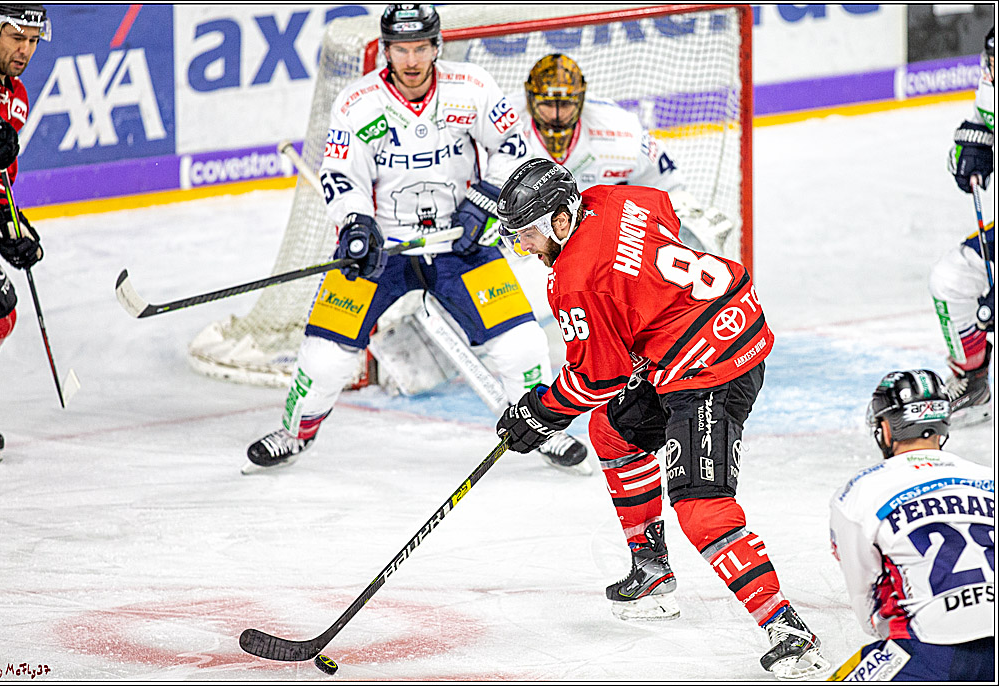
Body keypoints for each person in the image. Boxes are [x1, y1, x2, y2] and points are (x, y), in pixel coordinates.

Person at [493, 158, 830, 679]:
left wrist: (539, 412)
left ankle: (788, 630)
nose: (527, 248)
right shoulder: (614, 198)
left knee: (700, 506)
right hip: (726, 318)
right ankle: (651, 569)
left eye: (529, 235)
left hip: (710, 367)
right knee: (611, 432)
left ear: (561, 219)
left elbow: (597, 380)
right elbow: (664, 215)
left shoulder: (575, 280)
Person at [244, 4, 590, 475]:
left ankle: (545, 431)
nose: (411, 60)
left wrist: (485, 200)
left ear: (437, 46)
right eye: (401, 49)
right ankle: (294, 434)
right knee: (324, 358)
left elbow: (513, 147)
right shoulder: (356, 102)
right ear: (386, 50)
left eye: (421, 48)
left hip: (462, 244)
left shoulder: (472, 87)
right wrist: (356, 225)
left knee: (523, 345)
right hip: (383, 251)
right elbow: (341, 174)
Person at [828, 369, 994, 682]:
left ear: (886, 429)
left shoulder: (860, 491)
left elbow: (866, 598)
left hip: (930, 650)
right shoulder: (989, 478)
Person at [514, 53, 734, 256]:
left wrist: (687, 228)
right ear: (530, 99)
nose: (556, 115)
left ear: (580, 100)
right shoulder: (505, 125)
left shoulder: (620, 130)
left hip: (602, 240)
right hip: (527, 245)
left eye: (565, 105)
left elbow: (669, 187)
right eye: (547, 104)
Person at [0, 4, 49, 461]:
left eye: (32, 41)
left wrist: (9, 226)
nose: (25, 50)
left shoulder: (17, 98)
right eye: (16, 37)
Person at [930, 26, 994, 428]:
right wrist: (976, 143)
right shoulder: (991, 80)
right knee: (952, 279)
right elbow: (983, 118)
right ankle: (973, 382)